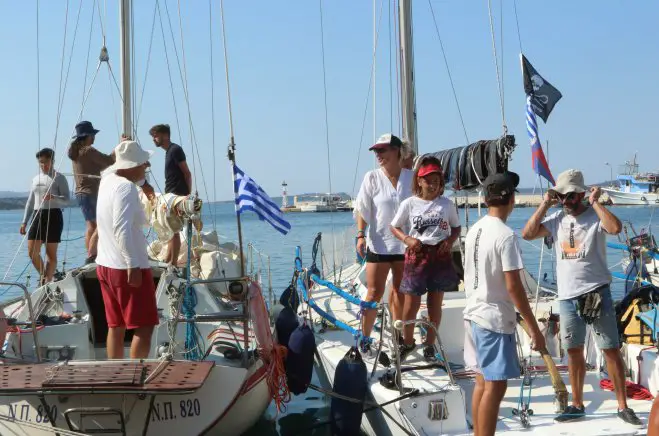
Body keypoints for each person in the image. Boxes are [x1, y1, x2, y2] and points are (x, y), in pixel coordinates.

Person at [522, 169, 643, 426]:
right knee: (573, 351)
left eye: (570, 196)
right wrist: (545, 202)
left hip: (597, 292)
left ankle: (623, 405)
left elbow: (615, 227)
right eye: (561, 196)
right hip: (567, 297)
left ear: (580, 194)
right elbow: (527, 234)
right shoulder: (556, 219)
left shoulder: (594, 216)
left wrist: (596, 202)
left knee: (610, 349)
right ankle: (577, 404)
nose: (565, 201)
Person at [463, 172, 545, 436]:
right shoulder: (506, 235)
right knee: (495, 387)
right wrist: (534, 329)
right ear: (511, 198)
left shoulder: (475, 230)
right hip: (493, 320)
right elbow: (514, 287)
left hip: (472, 316)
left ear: (487, 199)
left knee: (481, 382)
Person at [390, 157, 460, 362]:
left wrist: (451, 240)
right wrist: (407, 239)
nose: (433, 184)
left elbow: (456, 227)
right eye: (428, 180)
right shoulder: (409, 204)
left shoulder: (447, 205)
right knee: (411, 303)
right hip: (417, 255)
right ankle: (408, 342)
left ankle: (430, 344)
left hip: (440, 256)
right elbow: (394, 226)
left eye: (437, 180)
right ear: (419, 181)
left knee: (435, 304)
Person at [95, 140, 159, 359]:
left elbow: (136, 220)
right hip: (126, 266)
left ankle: (116, 374)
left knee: (116, 325)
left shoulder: (107, 180)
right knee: (144, 327)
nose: (146, 167)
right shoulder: (126, 187)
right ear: (132, 166)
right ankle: (134, 378)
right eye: (143, 164)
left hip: (105, 264)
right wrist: (132, 264)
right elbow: (121, 227)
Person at [354, 133, 413, 353]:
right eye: (376, 151)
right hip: (379, 244)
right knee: (373, 293)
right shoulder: (371, 177)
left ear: (397, 150)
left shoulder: (412, 177)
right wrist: (360, 235)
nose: (378, 155)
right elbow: (362, 208)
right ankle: (365, 338)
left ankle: (398, 337)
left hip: (405, 245)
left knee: (399, 291)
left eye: (383, 150)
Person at [20, 148, 70, 285]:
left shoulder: (59, 177)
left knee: (50, 254)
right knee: (32, 252)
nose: (44, 165)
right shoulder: (35, 179)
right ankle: (43, 276)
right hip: (37, 215)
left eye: (46, 162)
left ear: (52, 161)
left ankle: (47, 282)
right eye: (41, 162)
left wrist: (53, 197)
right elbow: (30, 202)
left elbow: (67, 200)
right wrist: (24, 222)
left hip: (53, 215)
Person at [68, 121, 114, 264]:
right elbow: (109, 161)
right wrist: (120, 147)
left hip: (81, 194)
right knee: (99, 225)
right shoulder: (88, 150)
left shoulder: (77, 153)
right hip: (91, 193)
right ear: (87, 135)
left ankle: (91, 254)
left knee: (90, 226)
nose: (94, 138)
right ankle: (92, 256)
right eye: (93, 134)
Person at [149, 124, 192, 266]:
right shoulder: (168, 152)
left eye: (156, 136)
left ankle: (172, 263)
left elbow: (187, 173)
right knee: (169, 229)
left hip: (177, 197)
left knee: (174, 230)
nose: (154, 139)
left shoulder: (175, 150)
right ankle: (168, 259)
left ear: (165, 135)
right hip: (170, 196)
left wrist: (187, 195)